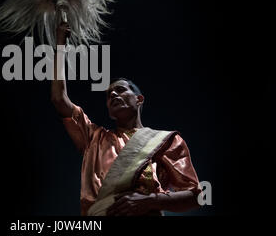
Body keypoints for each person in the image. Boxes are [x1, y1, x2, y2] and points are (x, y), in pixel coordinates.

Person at [51, 22, 202, 216]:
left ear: (139, 99)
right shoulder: (95, 138)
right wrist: (60, 43)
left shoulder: (166, 141)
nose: (113, 94)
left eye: (120, 90)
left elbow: (195, 195)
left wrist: (148, 202)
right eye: (108, 95)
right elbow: (58, 98)